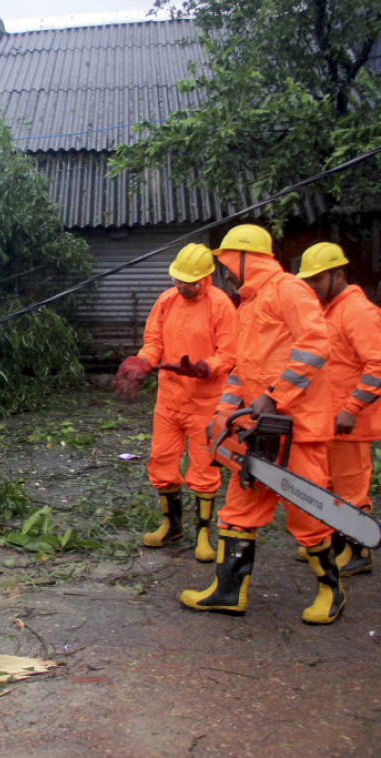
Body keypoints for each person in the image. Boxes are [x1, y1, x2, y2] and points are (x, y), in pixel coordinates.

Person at [180, 224, 342, 624]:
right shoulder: (249, 305)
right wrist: (223, 413)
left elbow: (316, 344)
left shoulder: (288, 289)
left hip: (296, 428)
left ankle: (330, 591)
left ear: (245, 257)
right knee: (236, 512)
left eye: (228, 264)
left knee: (307, 514)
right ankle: (228, 591)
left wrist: (275, 395)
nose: (226, 273)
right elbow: (242, 371)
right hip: (260, 432)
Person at [112, 243, 238, 562]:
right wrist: (142, 361)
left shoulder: (220, 305)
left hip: (205, 403)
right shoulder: (166, 301)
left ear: (205, 279)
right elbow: (154, 341)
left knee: (204, 467)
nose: (182, 287)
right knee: (161, 460)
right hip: (168, 400)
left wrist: (206, 367)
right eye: (178, 281)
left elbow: (230, 353)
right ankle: (172, 525)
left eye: (189, 282)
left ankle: (204, 534)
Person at [297, 241, 381, 576]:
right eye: (310, 280)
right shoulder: (329, 310)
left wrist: (351, 408)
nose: (312, 286)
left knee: (350, 487)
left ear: (338, 274)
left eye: (317, 280)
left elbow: (377, 365)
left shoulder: (359, 311)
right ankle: (336, 543)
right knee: (329, 484)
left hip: (351, 422)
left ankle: (359, 552)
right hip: (328, 419)